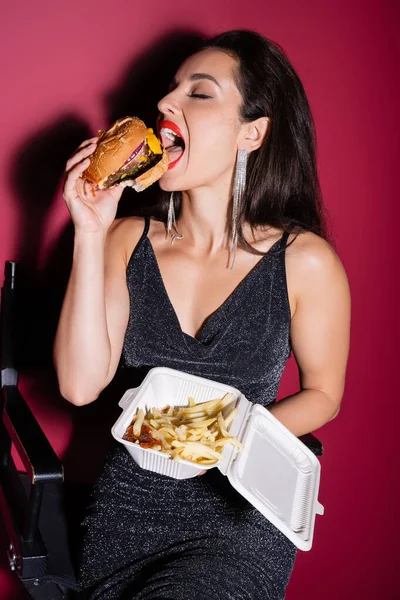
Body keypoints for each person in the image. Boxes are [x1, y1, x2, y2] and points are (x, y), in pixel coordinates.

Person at [54, 30, 350, 600]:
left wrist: (227, 435)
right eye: (171, 90)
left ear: (252, 133)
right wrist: (89, 234)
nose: (167, 103)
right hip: (127, 512)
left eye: (200, 93)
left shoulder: (306, 261)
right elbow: (79, 384)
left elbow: (324, 394)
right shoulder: (124, 239)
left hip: (238, 517)